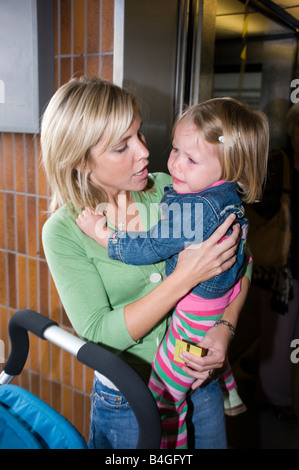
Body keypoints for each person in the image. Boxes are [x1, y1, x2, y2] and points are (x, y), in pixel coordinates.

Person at [41, 76, 250, 450]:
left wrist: (225, 328)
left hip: (199, 378)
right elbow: (98, 332)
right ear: (80, 161)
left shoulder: (170, 188)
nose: (143, 151)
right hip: (129, 399)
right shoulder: (63, 232)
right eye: (122, 147)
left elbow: (241, 260)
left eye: (138, 134)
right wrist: (184, 278)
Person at [248, 102, 299, 424]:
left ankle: (259, 371)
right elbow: (253, 202)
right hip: (281, 265)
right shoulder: (277, 163)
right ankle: (275, 399)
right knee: (278, 335)